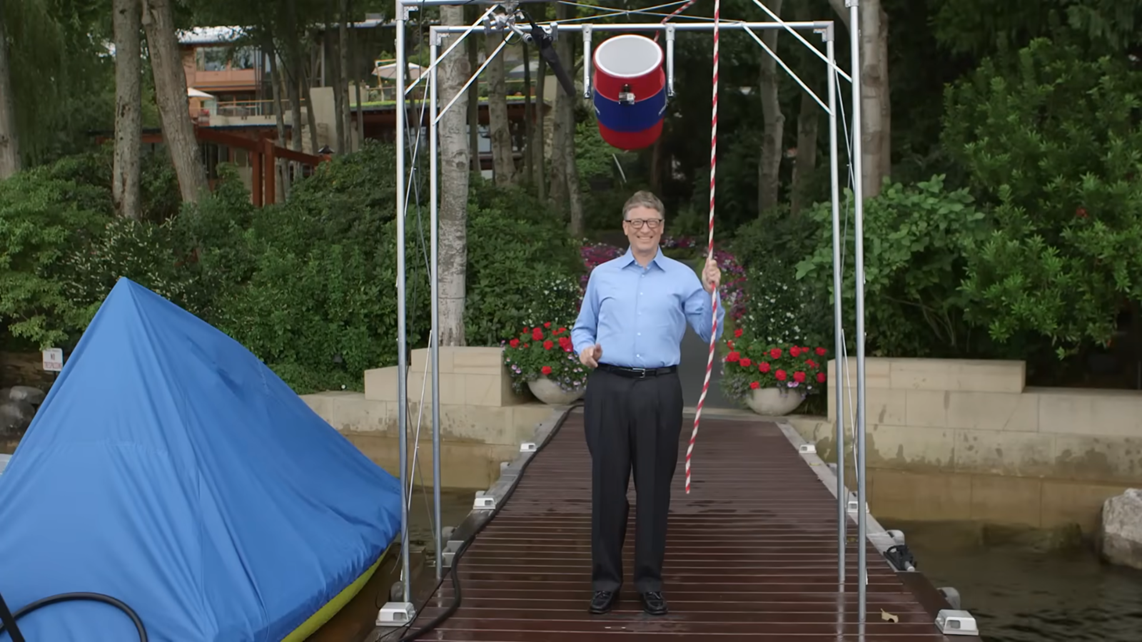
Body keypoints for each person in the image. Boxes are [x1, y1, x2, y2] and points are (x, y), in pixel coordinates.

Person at [571, 190, 723, 616]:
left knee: (654, 490)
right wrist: (584, 350)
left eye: (652, 222)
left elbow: (709, 333)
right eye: (637, 222)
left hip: (659, 390)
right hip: (608, 389)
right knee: (608, 489)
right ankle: (605, 581)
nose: (644, 229)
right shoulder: (603, 276)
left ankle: (649, 581)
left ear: (662, 228)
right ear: (625, 228)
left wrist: (712, 291)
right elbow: (582, 328)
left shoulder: (681, 277)